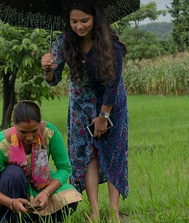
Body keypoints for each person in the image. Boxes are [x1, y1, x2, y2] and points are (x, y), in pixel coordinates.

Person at [41, 1, 129, 222]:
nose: (79, 26)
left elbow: (112, 83)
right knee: (88, 155)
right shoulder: (64, 42)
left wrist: (103, 116)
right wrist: (48, 69)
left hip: (112, 103)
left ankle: (114, 210)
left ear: (95, 19)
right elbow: (54, 80)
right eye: (74, 21)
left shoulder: (112, 44)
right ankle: (95, 210)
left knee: (113, 152)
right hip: (81, 103)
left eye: (84, 21)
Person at [0, 100, 82, 223]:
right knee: (13, 173)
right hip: (13, 188)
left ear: (40, 124)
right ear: (14, 125)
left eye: (34, 131)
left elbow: (65, 168)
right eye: (23, 132)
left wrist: (46, 193)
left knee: (70, 200)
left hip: (42, 184)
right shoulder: (0, 145)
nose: (29, 137)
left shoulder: (50, 133)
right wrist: (11, 202)